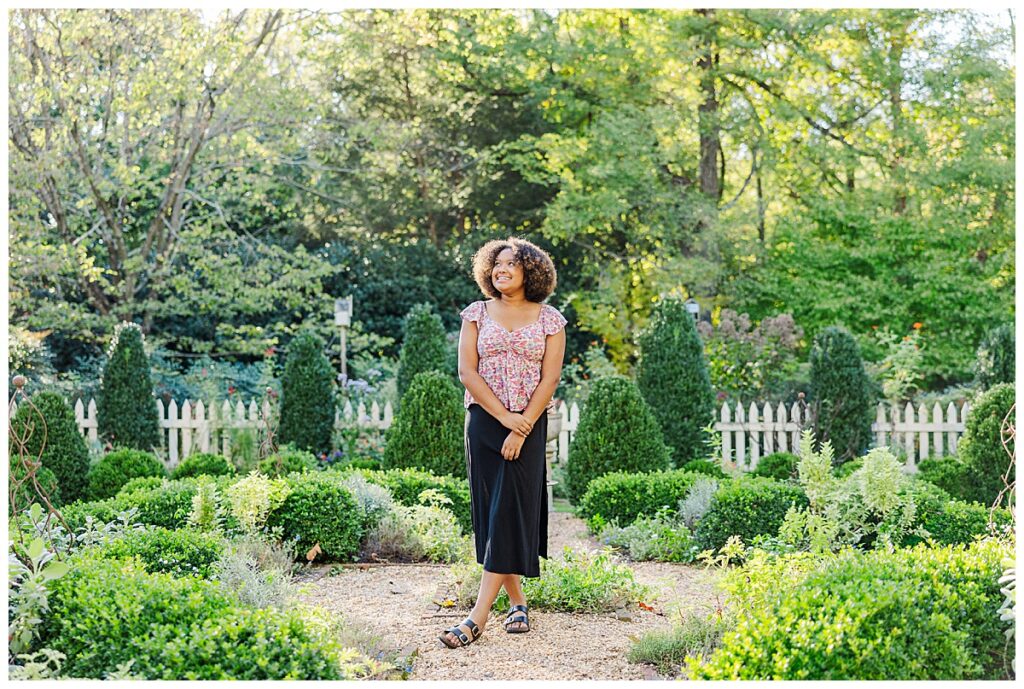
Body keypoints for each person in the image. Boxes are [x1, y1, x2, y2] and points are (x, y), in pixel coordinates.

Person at [439, 237, 567, 649]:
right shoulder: (476, 313)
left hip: (527, 427)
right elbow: (466, 372)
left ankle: (477, 618)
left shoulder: (551, 320)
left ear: (532, 270)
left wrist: (521, 426)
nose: (502, 268)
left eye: (512, 263)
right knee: (495, 512)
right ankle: (517, 604)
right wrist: (504, 419)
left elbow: (550, 379)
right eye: (497, 263)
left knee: (509, 510)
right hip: (485, 422)